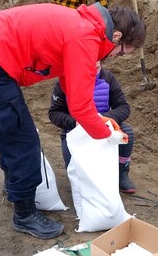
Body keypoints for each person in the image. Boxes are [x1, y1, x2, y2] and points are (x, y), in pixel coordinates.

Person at [0, 3, 146, 239]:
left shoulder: (85, 26)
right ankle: (24, 214)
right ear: (116, 36)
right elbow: (79, 107)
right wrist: (106, 134)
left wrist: (96, 121)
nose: (115, 56)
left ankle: (13, 187)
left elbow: (72, 82)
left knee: (10, 133)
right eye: (120, 52)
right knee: (22, 140)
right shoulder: (86, 37)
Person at [49, 60, 137, 194]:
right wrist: (75, 122)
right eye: (88, 68)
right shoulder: (64, 82)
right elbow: (54, 113)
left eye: (96, 67)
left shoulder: (108, 78)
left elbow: (123, 107)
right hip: (75, 132)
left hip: (103, 127)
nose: (93, 72)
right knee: (79, 180)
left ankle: (122, 173)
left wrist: (103, 119)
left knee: (127, 134)